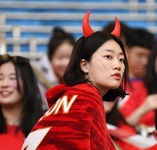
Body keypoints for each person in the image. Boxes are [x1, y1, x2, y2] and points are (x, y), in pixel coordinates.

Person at [22, 10, 129, 150]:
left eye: (121, 59)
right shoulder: (87, 96)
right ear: (85, 65)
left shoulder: (79, 95)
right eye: (108, 57)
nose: (118, 65)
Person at [0, 54, 44, 150]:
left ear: (29, 85)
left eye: (12, 78)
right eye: (0, 78)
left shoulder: (44, 127)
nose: (4, 84)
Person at [35, 27, 75, 108]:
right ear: (50, 58)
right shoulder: (38, 78)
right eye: (60, 57)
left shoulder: (82, 78)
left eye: (70, 57)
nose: (65, 63)